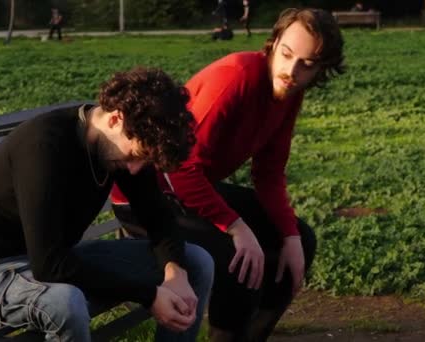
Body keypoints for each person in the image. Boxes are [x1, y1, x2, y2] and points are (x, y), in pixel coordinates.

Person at [111, 8, 345, 341]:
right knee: (240, 261)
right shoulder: (236, 77)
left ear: (321, 69)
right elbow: (179, 167)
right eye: (287, 55)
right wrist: (236, 227)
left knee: (299, 239)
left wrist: (290, 237)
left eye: (306, 64)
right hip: (147, 195)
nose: (292, 71)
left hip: (190, 190)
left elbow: (268, 172)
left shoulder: (288, 95)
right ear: (273, 43)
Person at [0, 68, 214, 342]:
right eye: (136, 155)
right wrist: (150, 295)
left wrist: (175, 271)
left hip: (58, 259)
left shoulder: (123, 143)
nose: (135, 169)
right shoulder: (44, 146)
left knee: (197, 262)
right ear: (115, 119)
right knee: (66, 303)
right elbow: (49, 265)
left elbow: (158, 217)